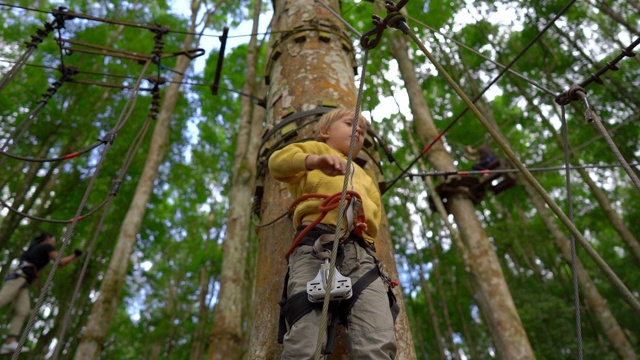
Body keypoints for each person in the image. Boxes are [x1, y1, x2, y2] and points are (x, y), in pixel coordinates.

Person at [269, 108, 398, 359]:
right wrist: (314, 161)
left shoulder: (366, 177)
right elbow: (278, 163)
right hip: (316, 245)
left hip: (361, 255)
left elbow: (375, 218)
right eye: (350, 124)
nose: (359, 131)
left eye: (362, 130)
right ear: (325, 132)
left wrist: (357, 207)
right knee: (305, 339)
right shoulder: (315, 150)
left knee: (378, 337)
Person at [0, 232, 83, 354]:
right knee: (2, 300)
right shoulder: (46, 246)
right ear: (48, 238)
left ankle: (10, 342)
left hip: (23, 281)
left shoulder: (35, 249)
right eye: (54, 238)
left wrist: (38, 284)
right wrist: (75, 255)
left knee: (23, 310)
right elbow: (61, 262)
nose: (55, 241)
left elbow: (49, 266)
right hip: (18, 277)